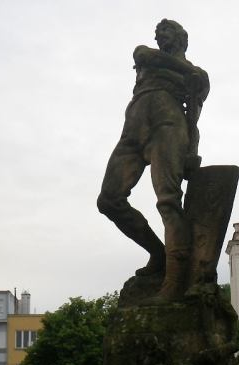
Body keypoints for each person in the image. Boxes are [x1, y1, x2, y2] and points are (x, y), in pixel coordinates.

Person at [96, 19, 209, 305]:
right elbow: (143, 55)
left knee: (168, 201)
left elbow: (194, 116)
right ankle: (158, 254)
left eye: (167, 30)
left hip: (168, 122)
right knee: (108, 200)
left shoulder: (198, 77)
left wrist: (191, 151)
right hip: (134, 122)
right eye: (158, 32)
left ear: (183, 38)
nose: (160, 35)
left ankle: (173, 282)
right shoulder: (149, 55)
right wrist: (189, 71)